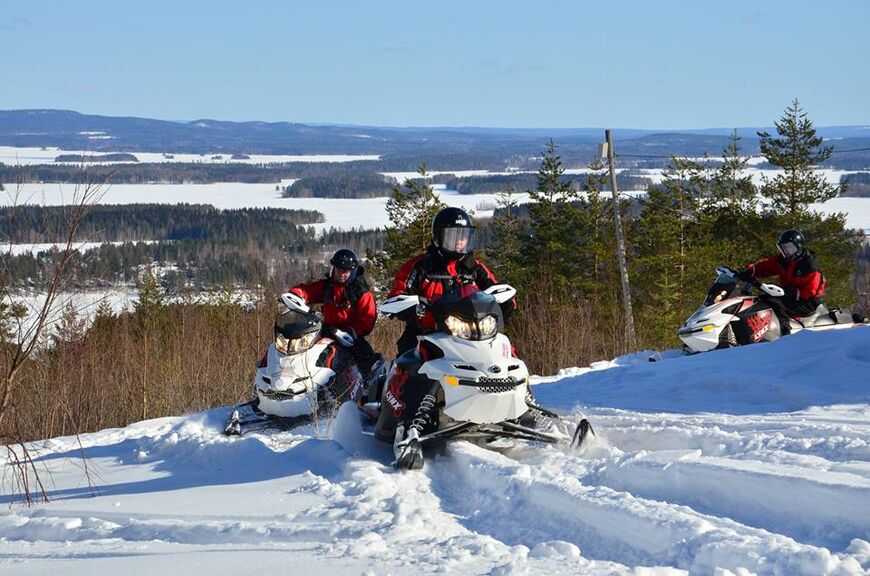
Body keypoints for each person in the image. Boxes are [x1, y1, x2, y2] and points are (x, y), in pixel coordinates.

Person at [388, 206, 513, 355]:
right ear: (437, 237)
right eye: (452, 236)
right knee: (409, 361)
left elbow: (496, 288)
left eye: (463, 235)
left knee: (506, 355)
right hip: (427, 332)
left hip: (473, 333)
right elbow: (398, 292)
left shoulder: (474, 268)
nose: (459, 241)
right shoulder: (421, 266)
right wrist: (412, 306)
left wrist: (506, 301)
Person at [289, 249, 379, 378]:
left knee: (365, 357)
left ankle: (366, 386)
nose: (342, 273)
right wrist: (295, 294)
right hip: (326, 330)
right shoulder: (327, 286)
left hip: (350, 336)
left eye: (346, 270)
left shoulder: (361, 292)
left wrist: (353, 332)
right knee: (297, 348)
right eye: (339, 269)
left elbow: (367, 319)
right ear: (334, 269)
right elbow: (308, 291)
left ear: (352, 271)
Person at [736, 229, 826, 335]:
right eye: (784, 248)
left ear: (798, 246)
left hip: (807, 302)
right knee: (762, 300)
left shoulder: (809, 265)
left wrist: (793, 292)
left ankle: (784, 332)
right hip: (789, 295)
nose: (787, 251)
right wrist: (750, 270)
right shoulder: (784, 260)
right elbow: (767, 266)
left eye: (790, 248)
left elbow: (811, 291)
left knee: (775, 304)